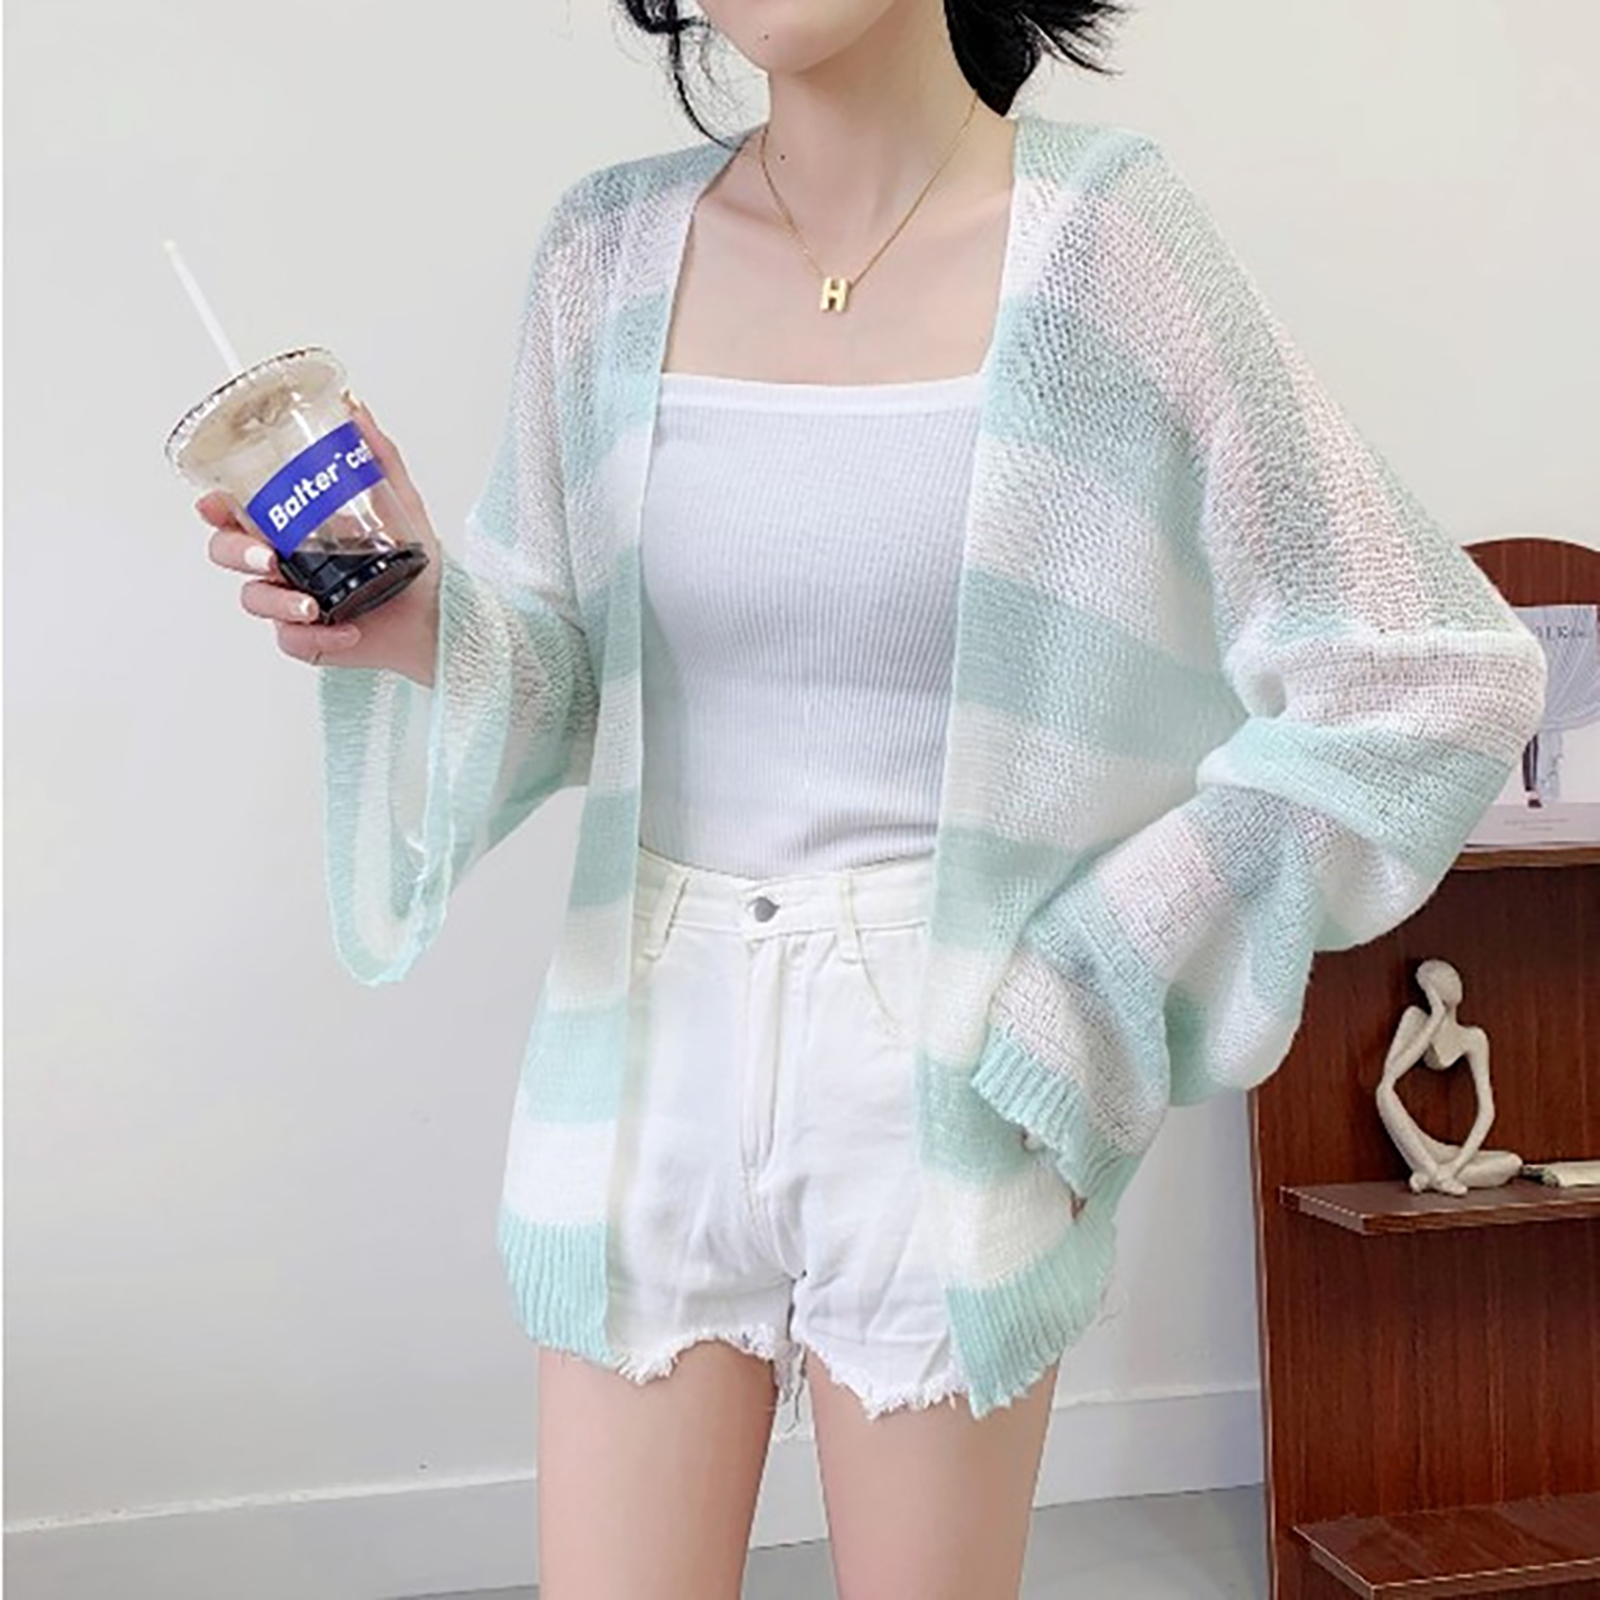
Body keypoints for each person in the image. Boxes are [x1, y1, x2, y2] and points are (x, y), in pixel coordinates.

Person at [195, 2, 1549, 1595]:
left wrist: (1092, 981)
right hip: (646, 1038)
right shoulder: (604, 254)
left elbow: (1430, 674)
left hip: (944, 1053)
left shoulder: (1106, 245)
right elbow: (581, 687)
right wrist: (432, 621)